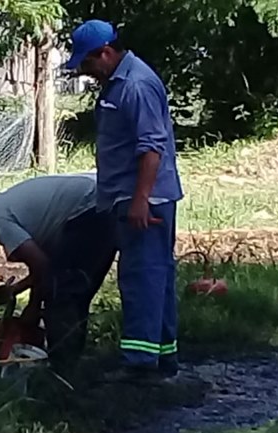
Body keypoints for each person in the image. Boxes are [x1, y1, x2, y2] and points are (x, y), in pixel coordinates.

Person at [65, 19, 184, 384]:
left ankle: (139, 365)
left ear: (105, 52)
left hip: (144, 199)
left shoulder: (136, 84)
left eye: (87, 63)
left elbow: (152, 147)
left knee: (141, 277)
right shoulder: (117, 83)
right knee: (156, 275)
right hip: (135, 196)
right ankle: (162, 356)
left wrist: (140, 200)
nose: (86, 71)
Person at [0, 173, 116, 371]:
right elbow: (44, 265)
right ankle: (70, 366)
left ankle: (62, 370)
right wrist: (28, 299)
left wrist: (19, 294)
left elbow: (43, 266)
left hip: (88, 210)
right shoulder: (16, 210)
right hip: (104, 204)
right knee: (74, 293)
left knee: (61, 295)